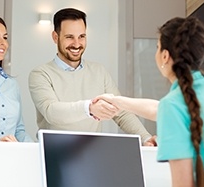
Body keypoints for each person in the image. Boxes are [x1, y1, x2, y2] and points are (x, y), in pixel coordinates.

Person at [95, 17, 204, 187]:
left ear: (165, 56)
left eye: (157, 47)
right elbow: (160, 109)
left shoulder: (173, 105)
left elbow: (183, 184)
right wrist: (117, 101)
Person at [28, 8, 156, 146]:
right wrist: (89, 108)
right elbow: (51, 112)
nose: (77, 44)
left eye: (81, 36)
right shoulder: (41, 74)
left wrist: (145, 138)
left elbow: (121, 113)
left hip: (91, 153)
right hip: (54, 153)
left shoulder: (99, 71)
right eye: (69, 37)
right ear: (55, 37)